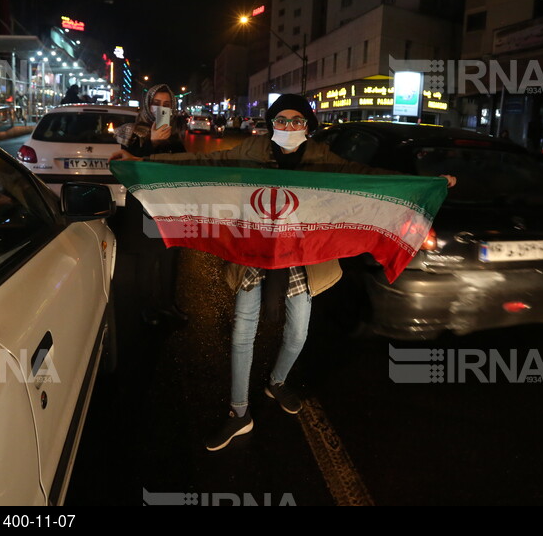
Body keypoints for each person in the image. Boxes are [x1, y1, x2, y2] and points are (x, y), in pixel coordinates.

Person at [111, 94, 455, 451]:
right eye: (282, 120)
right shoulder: (250, 149)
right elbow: (202, 160)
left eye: (297, 121)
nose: (289, 127)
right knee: (243, 332)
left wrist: (427, 183)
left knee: (298, 331)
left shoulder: (321, 156)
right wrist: (142, 160)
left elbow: (365, 176)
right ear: (271, 123)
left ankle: (277, 381)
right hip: (252, 251)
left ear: (308, 126)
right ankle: (239, 413)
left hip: (302, 255)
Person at [110, 85, 187, 326]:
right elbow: (130, 168)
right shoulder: (131, 132)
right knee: (147, 257)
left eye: (166, 104)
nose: (161, 108)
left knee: (169, 257)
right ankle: (147, 308)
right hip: (145, 205)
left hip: (170, 205)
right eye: (157, 103)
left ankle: (168, 304)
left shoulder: (175, 133)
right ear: (147, 104)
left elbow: (182, 165)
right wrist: (151, 143)